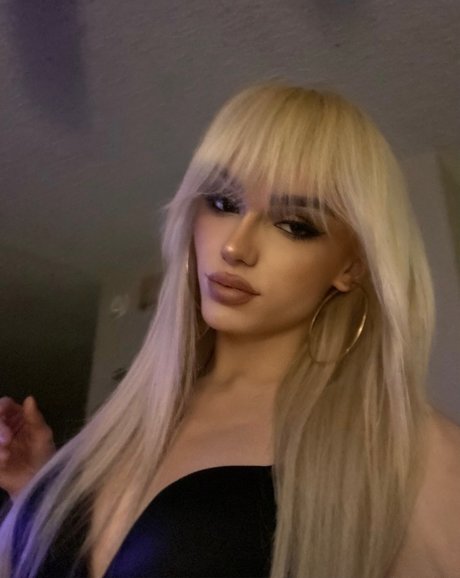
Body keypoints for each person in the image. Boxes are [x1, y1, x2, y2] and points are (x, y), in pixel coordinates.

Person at [1, 81, 459, 578]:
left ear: (350, 267)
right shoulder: (125, 424)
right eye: (222, 202)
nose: (236, 247)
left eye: (295, 225)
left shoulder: (404, 451)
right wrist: (40, 488)